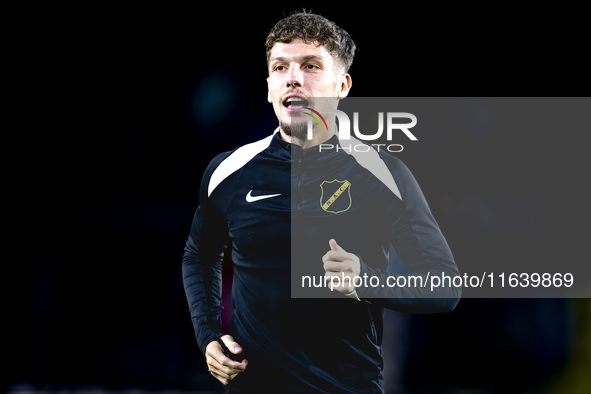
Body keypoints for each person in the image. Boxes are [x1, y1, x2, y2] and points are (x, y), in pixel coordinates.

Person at [182, 11, 461, 393]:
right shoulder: (229, 170)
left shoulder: (383, 173)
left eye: (311, 65)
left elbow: (444, 288)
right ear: (268, 86)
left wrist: (367, 281)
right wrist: (209, 335)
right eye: (280, 67)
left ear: (341, 85)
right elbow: (199, 254)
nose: (293, 77)